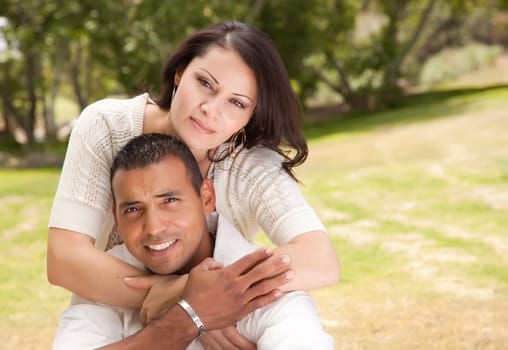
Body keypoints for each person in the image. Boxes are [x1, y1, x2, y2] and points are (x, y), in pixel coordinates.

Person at [47, 20, 339, 347]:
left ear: (249, 117)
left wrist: (206, 298)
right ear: (179, 73)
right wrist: (185, 302)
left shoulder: (250, 164)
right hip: (111, 304)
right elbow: (64, 259)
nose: (210, 110)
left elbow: (319, 259)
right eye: (205, 83)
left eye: (237, 102)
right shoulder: (106, 127)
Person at [53, 133, 333, 349]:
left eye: (170, 201)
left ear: (206, 198)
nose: (153, 228)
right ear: (116, 217)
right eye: (134, 209)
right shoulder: (104, 282)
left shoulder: (269, 290)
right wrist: (189, 317)